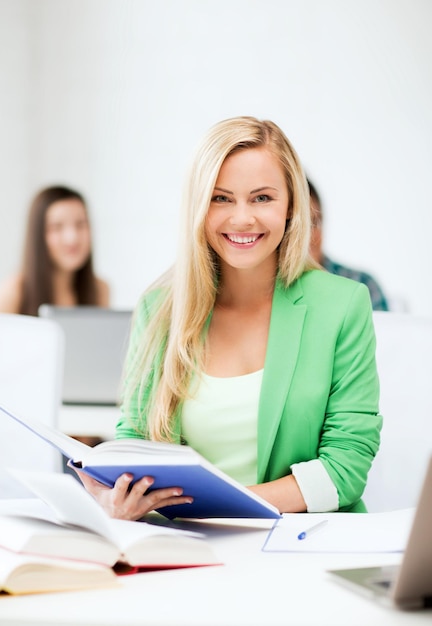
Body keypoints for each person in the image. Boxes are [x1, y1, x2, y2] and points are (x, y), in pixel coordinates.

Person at [74, 116, 382, 520]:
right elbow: (135, 439)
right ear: (198, 207)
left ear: (291, 204)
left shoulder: (343, 304)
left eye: (262, 198)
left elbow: (346, 466)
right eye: (221, 198)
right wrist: (119, 495)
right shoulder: (159, 309)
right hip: (189, 545)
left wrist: (228, 508)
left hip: (305, 546)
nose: (242, 218)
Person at [0, 185, 110, 315]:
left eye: (81, 224)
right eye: (57, 227)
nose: (72, 238)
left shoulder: (100, 290)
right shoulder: (16, 290)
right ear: (38, 235)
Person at [308, 179, 389, 312]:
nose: (307, 236)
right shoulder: (268, 289)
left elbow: (383, 332)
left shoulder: (361, 284)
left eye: (313, 222)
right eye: (296, 225)